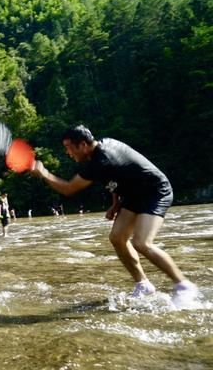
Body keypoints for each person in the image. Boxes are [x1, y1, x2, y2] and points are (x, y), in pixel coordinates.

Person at [30, 125, 198, 305]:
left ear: (83, 145)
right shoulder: (102, 149)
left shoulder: (100, 161)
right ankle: (143, 285)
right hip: (133, 194)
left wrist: (44, 173)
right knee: (117, 237)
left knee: (141, 243)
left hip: (155, 192)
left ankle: (184, 285)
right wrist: (116, 203)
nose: (68, 153)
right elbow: (116, 177)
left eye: (69, 148)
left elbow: (69, 189)